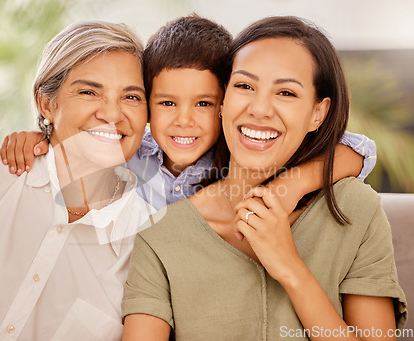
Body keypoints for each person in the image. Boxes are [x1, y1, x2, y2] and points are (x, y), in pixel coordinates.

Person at [121, 16, 407, 340]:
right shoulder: (161, 233)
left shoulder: (356, 210)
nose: (260, 109)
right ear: (223, 99)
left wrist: (289, 267)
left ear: (318, 113)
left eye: (286, 92)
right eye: (244, 86)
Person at [0, 21, 155, 341]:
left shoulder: (147, 243)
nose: (112, 114)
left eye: (131, 97)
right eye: (88, 91)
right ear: (47, 103)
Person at [0, 15, 376, 214]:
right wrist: (43, 137)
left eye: (204, 103)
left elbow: (359, 149)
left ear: (227, 103)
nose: (184, 121)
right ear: (145, 106)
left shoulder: (245, 157)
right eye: (166, 103)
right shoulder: (132, 154)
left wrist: (294, 185)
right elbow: (83, 147)